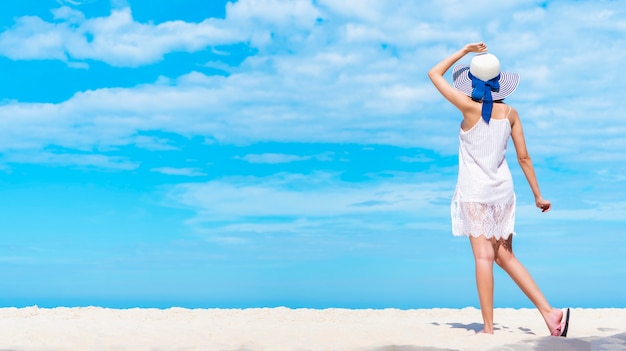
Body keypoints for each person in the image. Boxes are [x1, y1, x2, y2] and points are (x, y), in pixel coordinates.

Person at [427, 42, 570, 336]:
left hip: (475, 192)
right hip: (503, 191)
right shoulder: (511, 113)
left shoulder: (468, 108)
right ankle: (550, 313)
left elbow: (433, 73)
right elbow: (524, 158)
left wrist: (464, 52)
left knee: (483, 258)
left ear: (471, 82)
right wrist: (538, 196)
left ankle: (489, 329)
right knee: (505, 257)